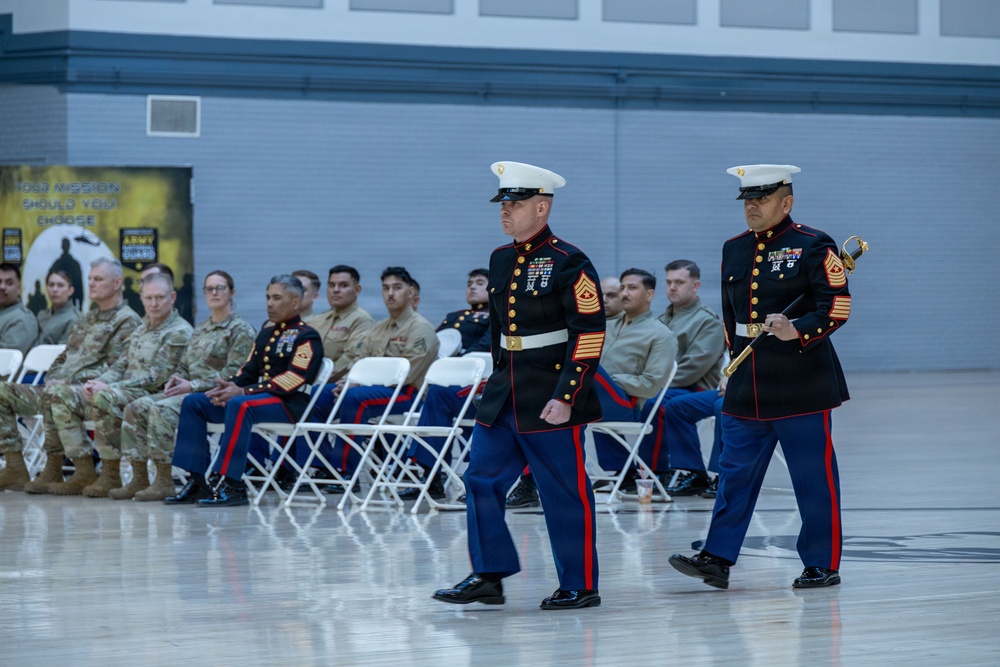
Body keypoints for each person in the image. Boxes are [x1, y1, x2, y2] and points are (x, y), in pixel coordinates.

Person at [434, 161, 605, 611]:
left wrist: (567, 395)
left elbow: (589, 334)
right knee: (480, 478)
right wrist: (495, 377)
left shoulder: (571, 261)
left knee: (563, 490)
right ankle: (489, 574)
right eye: (503, 204)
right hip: (506, 390)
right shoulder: (501, 258)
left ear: (542, 207)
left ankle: (580, 583)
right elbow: (501, 329)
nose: (505, 212)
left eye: (515, 203)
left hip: (550, 393)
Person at [670, 164, 851, 590]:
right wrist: (731, 369)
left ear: (786, 202)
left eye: (762, 198)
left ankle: (821, 563)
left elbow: (837, 306)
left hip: (800, 379)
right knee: (734, 474)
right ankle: (717, 557)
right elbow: (734, 319)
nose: (752, 206)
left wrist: (798, 329)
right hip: (748, 380)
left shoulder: (813, 244)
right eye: (748, 199)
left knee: (812, 477)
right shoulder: (733, 248)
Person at [507, 267, 675, 508]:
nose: (624, 293)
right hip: (588, 395)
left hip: (625, 404)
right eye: (623, 287)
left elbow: (650, 385)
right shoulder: (605, 325)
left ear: (649, 295)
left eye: (632, 288)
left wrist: (606, 378)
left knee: (582, 366)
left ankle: (515, 396)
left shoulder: (661, 334)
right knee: (548, 398)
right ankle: (529, 482)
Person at [166, 275, 323, 507]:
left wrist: (244, 392)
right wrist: (228, 387)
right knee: (194, 402)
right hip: (257, 402)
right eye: (268, 297)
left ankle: (232, 484)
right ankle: (198, 481)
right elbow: (247, 372)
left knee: (241, 405)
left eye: (277, 298)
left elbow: (293, 380)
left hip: (290, 405)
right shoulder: (266, 334)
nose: (270, 303)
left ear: (295, 303)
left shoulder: (306, 336)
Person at [0, 257, 141, 493]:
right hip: (62, 389)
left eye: (98, 279)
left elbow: (119, 367)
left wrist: (71, 382)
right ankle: (16, 467)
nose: (92, 284)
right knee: (3, 391)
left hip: (92, 393)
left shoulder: (126, 320)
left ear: (117, 283)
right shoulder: (88, 318)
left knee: (57, 393)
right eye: (90, 279)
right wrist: (54, 377)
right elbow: (63, 357)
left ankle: (82, 469)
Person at [46, 271, 192, 497]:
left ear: (172, 297)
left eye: (160, 298)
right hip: (129, 391)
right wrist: (98, 382)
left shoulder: (179, 331)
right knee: (73, 394)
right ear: (141, 298)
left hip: (158, 393)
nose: (154, 303)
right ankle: (96, 472)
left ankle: (131, 475)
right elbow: (121, 365)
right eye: (149, 297)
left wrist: (112, 388)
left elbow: (158, 375)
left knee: (107, 398)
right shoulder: (141, 329)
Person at [113, 271, 256, 501]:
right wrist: (176, 380)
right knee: (136, 406)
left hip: (216, 396)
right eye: (209, 288)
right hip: (189, 392)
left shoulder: (240, 329)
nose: (214, 293)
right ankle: (139, 478)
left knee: (161, 409)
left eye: (220, 288)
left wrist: (192, 385)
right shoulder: (201, 329)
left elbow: (236, 373)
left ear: (232, 292)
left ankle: (165, 480)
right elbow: (184, 365)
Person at [315, 266, 438, 481]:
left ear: (410, 292)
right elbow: (361, 361)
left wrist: (358, 384)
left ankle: (344, 472)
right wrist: (348, 380)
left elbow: (406, 373)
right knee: (319, 394)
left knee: (354, 399)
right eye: (386, 288)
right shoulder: (379, 328)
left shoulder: (421, 328)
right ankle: (321, 464)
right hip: (373, 390)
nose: (390, 293)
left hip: (407, 394)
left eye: (397, 288)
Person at [643, 260, 725, 482]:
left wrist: (648, 383)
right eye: (669, 282)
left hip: (694, 388)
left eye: (679, 282)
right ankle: (632, 470)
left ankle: (659, 471)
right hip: (664, 387)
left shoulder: (708, 322)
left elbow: (693, 368)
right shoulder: (660, 320)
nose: (672, 287)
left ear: (695, 286)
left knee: (654, 402)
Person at [305, 265, 374, 382]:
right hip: (308, 380)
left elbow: (351, 358)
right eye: (331, 285)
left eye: (343, 285)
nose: (335, 290)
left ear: (357, 290)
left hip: (332, 384)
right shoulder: (319, 319)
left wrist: (317, 380)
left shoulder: (362, 320)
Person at [437, 268, 490, 353]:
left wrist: (460, 358)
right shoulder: (453, 316)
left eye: (480, 283)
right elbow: (434, 340)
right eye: (469, 284)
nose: (472, 287)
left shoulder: (496, 316)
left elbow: (487, 344)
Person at [0, 264, 39, 355]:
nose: (2, 287)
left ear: (19, 288)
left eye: (9, 283)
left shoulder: (23, 319)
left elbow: (6, 358)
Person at [35, 269, 80, 345]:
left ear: (70, 290)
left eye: (60, 285)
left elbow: (63, 351)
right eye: (51, 285)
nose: (55, 290)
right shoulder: (41, 315)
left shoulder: (75, 318)